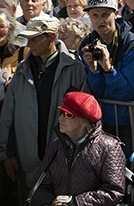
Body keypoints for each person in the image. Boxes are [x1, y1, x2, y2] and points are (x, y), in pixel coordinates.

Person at [0, 16, 88, 196]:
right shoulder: (22, 69)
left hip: (65, 160)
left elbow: (84, 116)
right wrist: (6, 153)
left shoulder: (75, 68)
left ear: (51, 37)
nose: (29, 43)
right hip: (28, 161)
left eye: (34, 38)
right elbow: (8, 114)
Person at [30, 91, 125, 206]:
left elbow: (114, 192)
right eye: (61, 112)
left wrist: (76, 202)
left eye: (68, 115)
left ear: (85, 121)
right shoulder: (56, 145)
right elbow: (40, 186)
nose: (60, 118)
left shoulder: (109, 147)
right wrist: (50, 203)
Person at [79, 0, 134, 152]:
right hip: (99, 120)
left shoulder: (132, 44)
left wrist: (109, 70)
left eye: (105, 14)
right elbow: (95, 90)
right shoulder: (88, 44)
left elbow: (127, 93)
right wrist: (94, 71)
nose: (100, 20)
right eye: (94, 15)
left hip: (126, 122)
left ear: (116, 14)